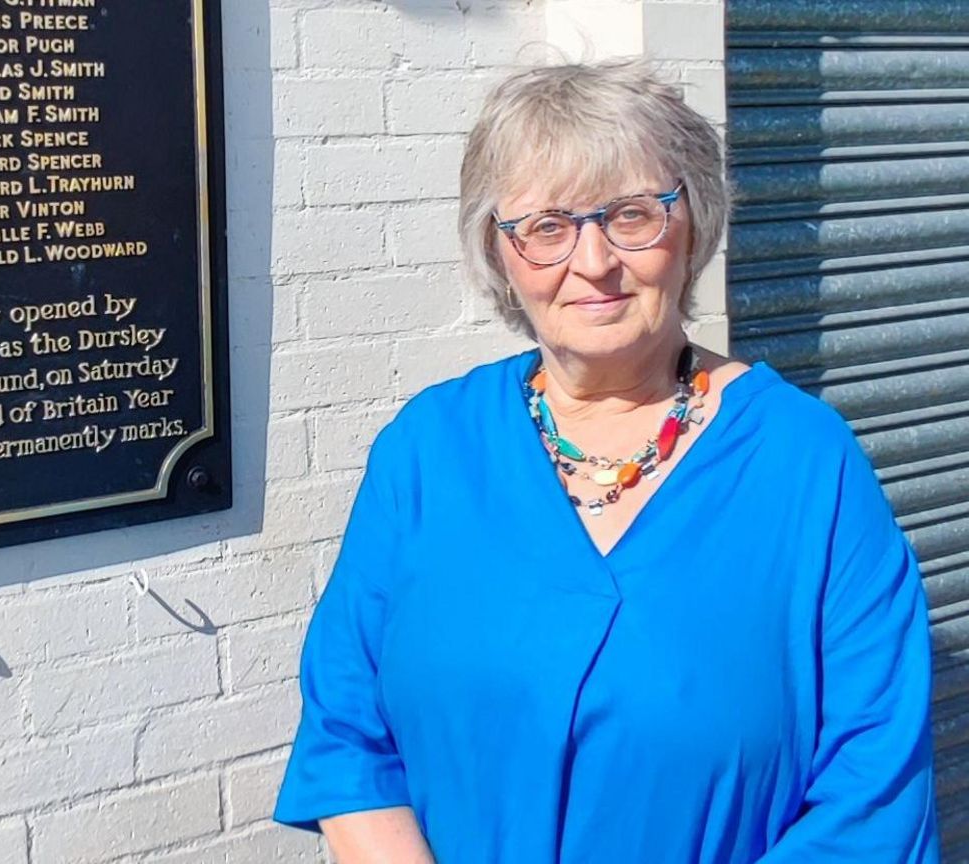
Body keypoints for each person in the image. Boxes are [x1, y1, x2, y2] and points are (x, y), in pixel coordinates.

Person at [273, 59, 941, 863]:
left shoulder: (808, 465)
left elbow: (873, 799)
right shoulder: (427, 449)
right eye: (547, 226)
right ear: (501, 253)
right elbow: (347, 732)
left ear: (692, 224)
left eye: (631, 215)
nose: (592, 262)